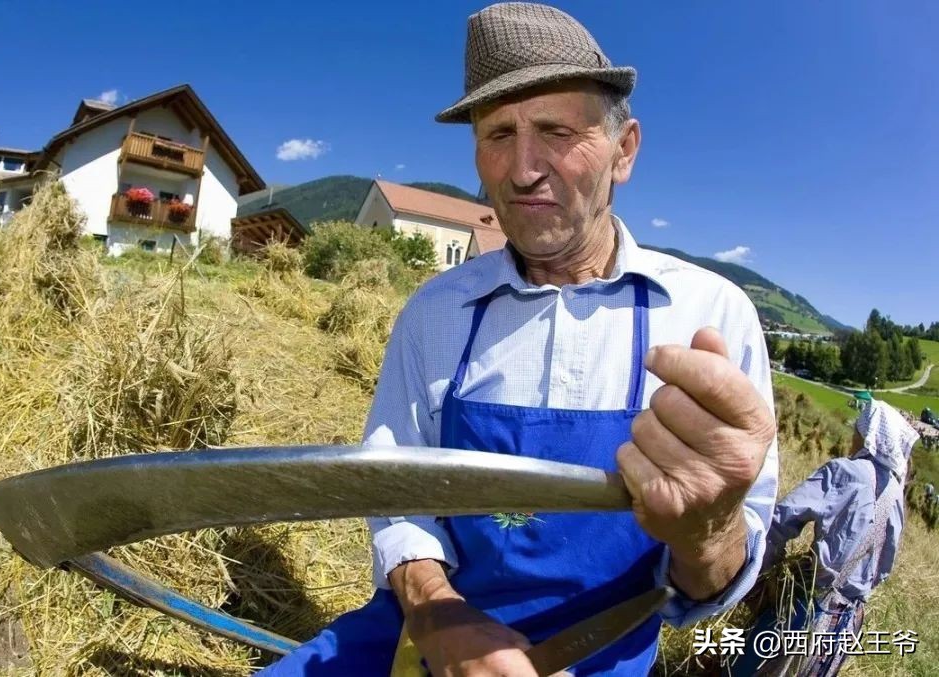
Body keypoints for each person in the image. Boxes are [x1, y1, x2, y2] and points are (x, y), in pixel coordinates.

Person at [261, 3, 779, 675]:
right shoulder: (435, 313)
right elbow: (395, 494)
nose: (521, 168)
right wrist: (436, 609)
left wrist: (707, 532)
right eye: (498, 133)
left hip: (603, 654)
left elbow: (712, 585)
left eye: (555, 130)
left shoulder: (710, 317)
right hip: (417, 635)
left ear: (624, 151)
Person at [732, 400, 919, 676]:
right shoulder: (896, 497)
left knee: (748, 668)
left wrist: (764, 576)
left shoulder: (847, 472)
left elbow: (783, 519)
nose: (851, 438)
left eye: (856, 430)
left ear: (867, 437)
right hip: (846, 622)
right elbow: (883, 569)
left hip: (808, 607)